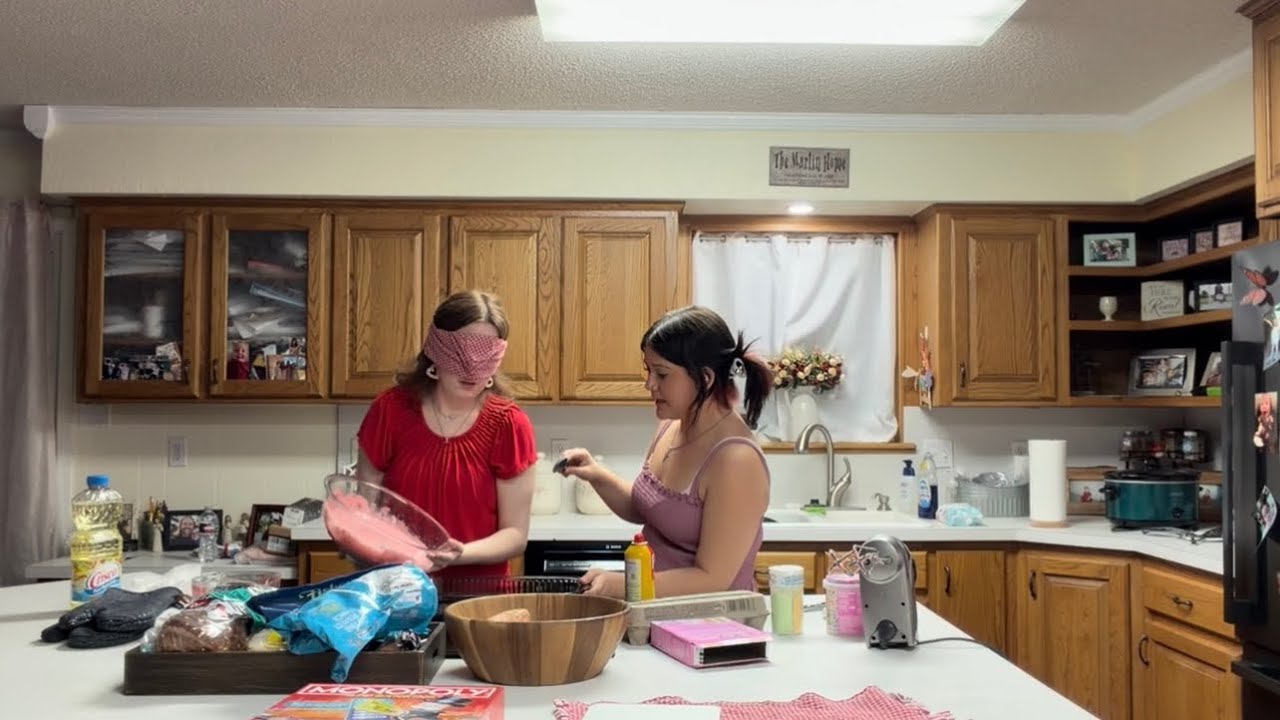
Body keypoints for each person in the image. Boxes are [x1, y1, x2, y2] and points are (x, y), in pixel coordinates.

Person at [560, 306, 774, 598]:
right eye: (649, 370)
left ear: (706, 378)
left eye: (661, 374)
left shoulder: (736, 461)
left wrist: (625, 585)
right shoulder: (671, 425)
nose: (649, 384)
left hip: (710, 629)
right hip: (656, 617)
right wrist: (595, 474)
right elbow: (649, 508)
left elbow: (712, 580)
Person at [354, 290, 538, 580]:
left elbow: (515, 534)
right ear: (435, 350)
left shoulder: (509, 425)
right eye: (461, 353)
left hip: (477, 600)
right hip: (398, 591)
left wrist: (461, 553)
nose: (471, 369)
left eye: (484, 355)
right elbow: (366, 509)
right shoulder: (389, 411)